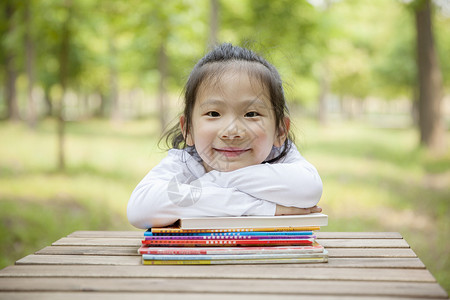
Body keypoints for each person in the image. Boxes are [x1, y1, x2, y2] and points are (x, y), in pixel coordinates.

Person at [127, 43, 323, 229]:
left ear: (280, 131)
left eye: (251, 114)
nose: (231, 131)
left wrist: (215, 181)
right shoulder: (185, 162)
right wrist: (264, 208)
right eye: (214, 114)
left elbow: (309, 189)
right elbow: (140, 208)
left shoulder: (280, 155)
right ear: (188, 129)